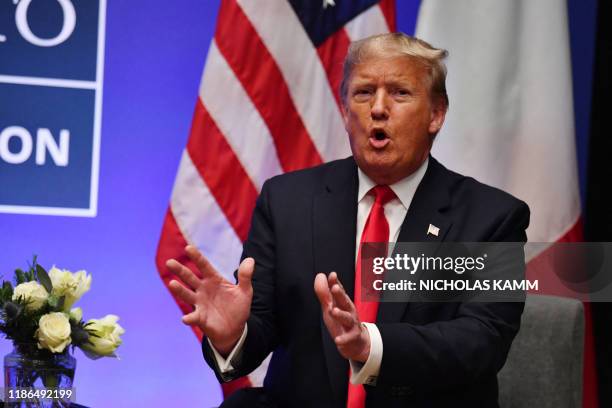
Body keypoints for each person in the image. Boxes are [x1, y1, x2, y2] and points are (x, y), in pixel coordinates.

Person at [166, 33, 530, 407]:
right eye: (364, 92)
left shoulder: (493, 218)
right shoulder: (287, 201)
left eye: (400, 93)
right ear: (344, 112)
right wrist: (232, 335)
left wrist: (370, 345)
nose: (378, 108)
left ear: (436, 114)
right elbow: (260, 326)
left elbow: (482, 340)